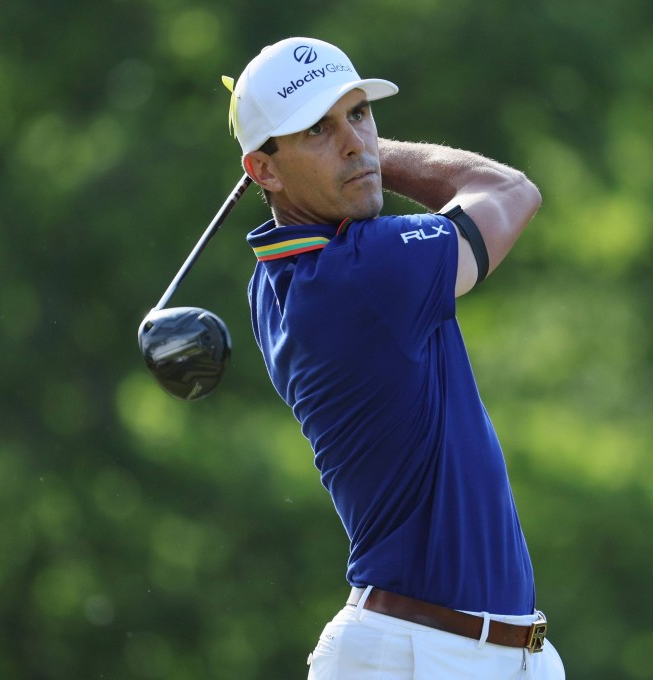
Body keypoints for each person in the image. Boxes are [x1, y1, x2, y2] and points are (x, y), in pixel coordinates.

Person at [224, 37, 565, 679]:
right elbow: (508, 191)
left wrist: (349, 158)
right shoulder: (366, 270)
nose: (355, 142)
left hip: (467, 650)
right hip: (419, 655)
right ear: (263, 170)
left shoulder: (277, 283)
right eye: (318, 130)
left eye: (359, 115)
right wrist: (375, 159)